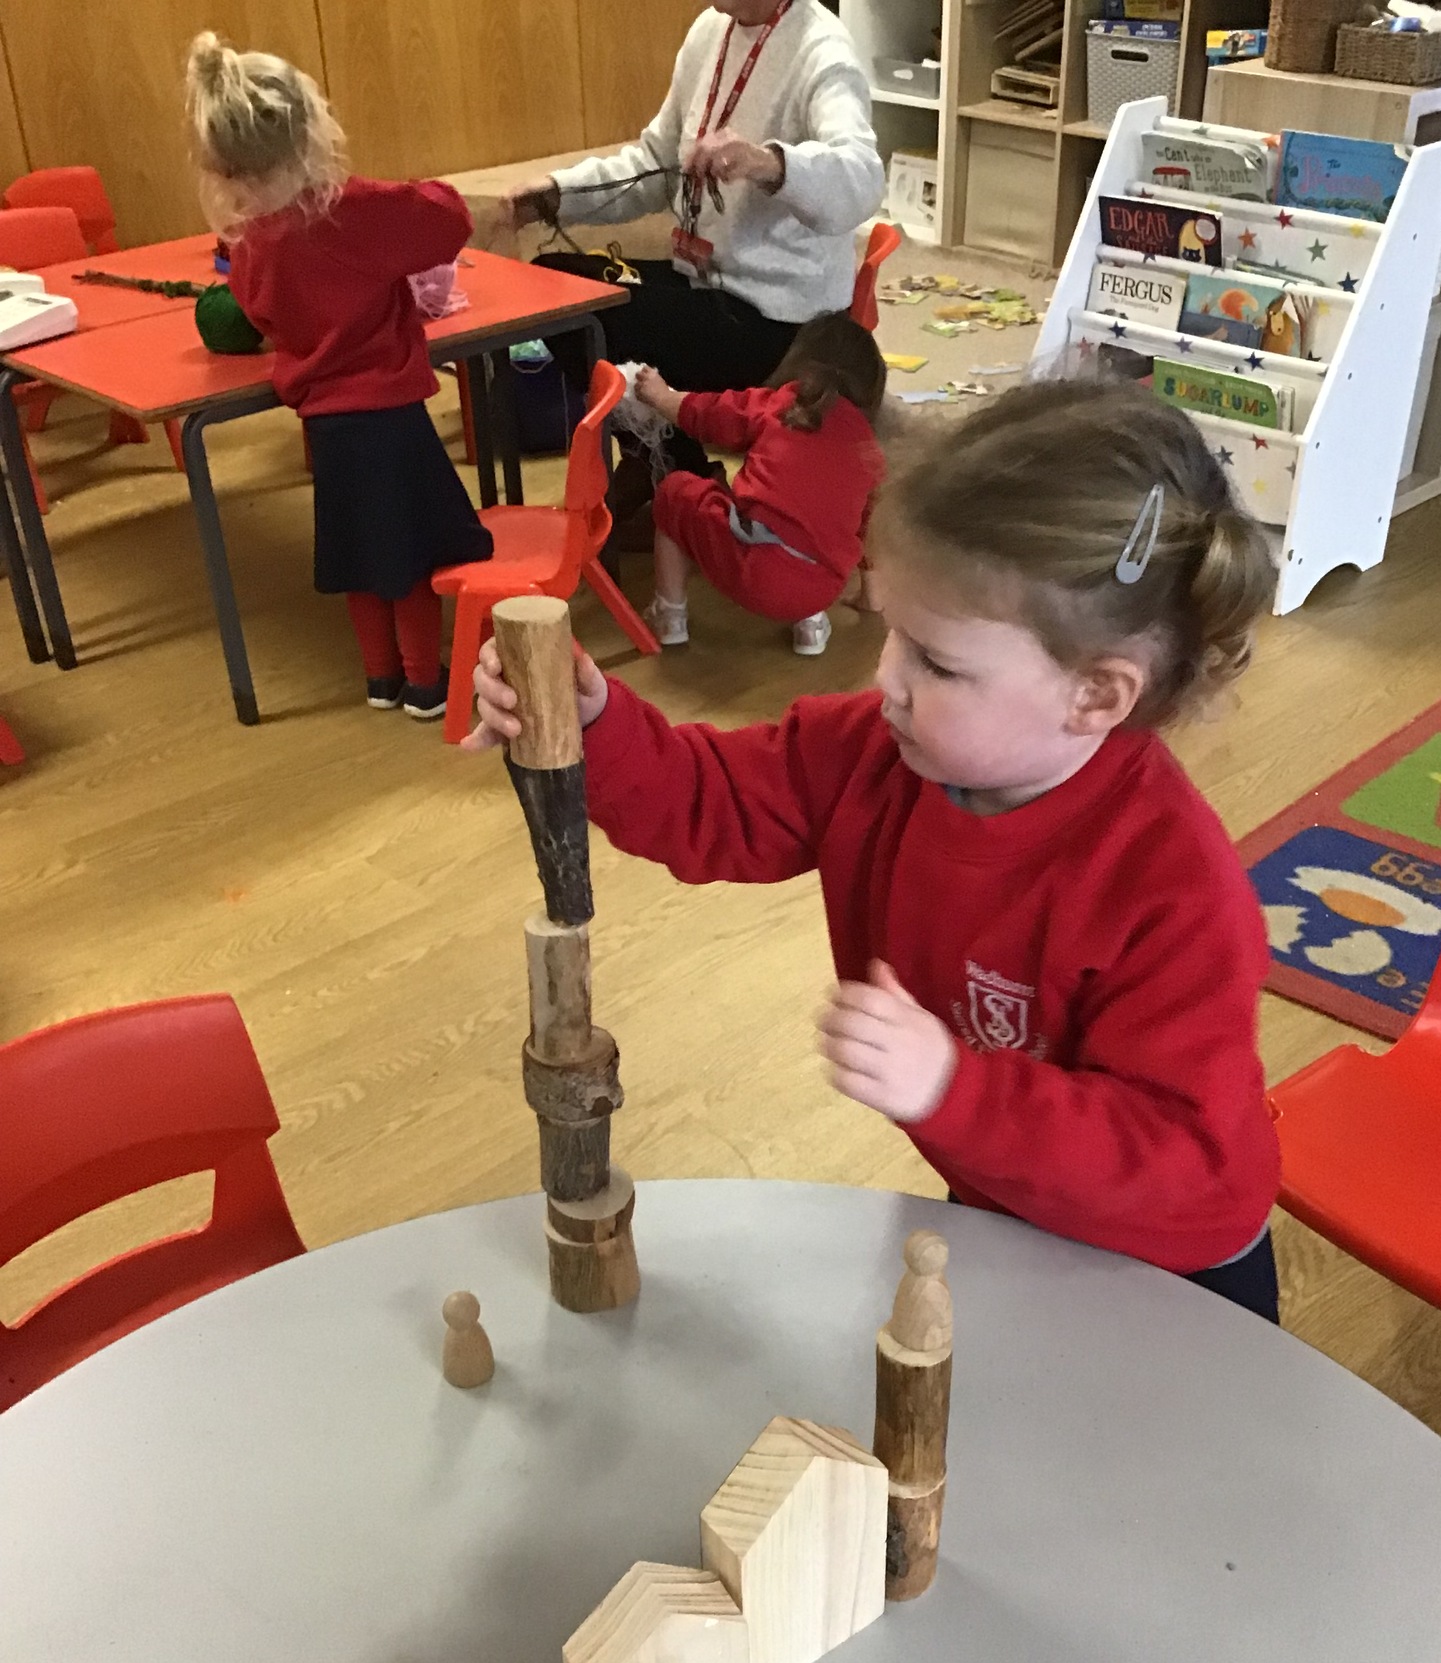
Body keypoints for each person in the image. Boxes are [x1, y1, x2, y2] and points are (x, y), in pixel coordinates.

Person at [465, 380, 1285, 1323]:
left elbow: (1181, 1158)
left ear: (1096, 696)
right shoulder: (875, 752)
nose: (886, 678)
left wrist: (953, 1087)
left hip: (1169, 1272)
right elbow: (712, 801)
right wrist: (596, 725)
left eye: (937, 662)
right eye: (890, 628)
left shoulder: (1174, 893)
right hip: (1004, 1210)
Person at [186, 32, 491, 720]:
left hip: (326, 424)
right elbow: (449, 217)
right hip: (390, 415)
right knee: (412, 555)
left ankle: (380, 678)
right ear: (308, 129)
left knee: (361, 552)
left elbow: (257, 315)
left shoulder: (249, 239)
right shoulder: (350, 210)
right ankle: (425, 684)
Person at [506, 0, 884, 494]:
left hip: (781, 322)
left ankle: (679, 480)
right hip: (703, 282)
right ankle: (665, 467)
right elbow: (656, 162)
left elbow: (862, 178)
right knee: (556, 286)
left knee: (588, 317)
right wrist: (558, 195)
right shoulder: (711, 30)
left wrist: (769, 163)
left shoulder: (823, 47)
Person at [632, 310, 886, 656]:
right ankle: (810, 628)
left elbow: (712, 414)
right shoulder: (869, 450)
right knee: (820, 526)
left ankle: (669, 617)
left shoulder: (782, 403)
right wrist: (871, 597)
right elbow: (868, 531)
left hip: (753, 569)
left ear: (801, 364)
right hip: (822, 586)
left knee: (673, 492)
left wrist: (661, 397)